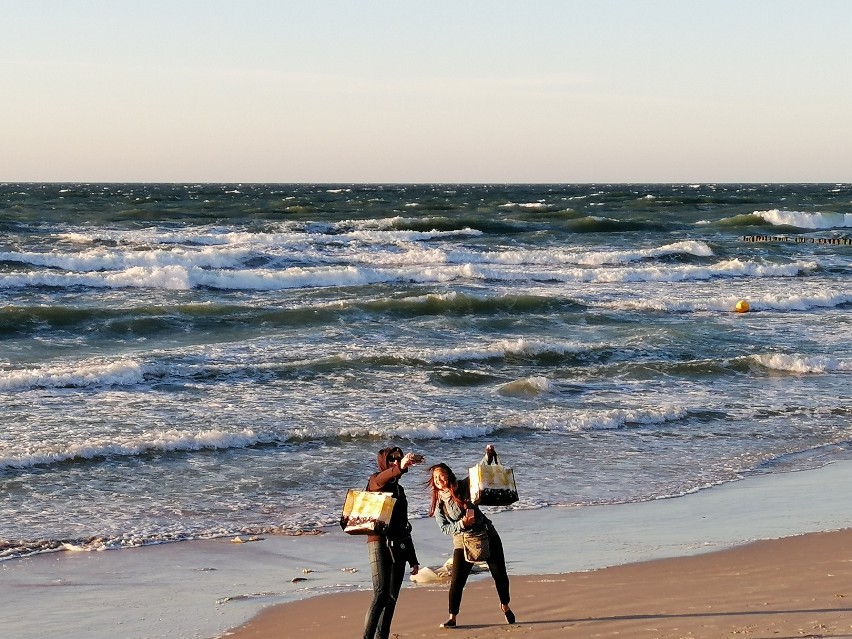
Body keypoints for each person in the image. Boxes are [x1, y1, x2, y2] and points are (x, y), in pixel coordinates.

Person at [427, 444, 515, 628]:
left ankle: (505, 605)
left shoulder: (463, 486)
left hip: (487, 534)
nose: (439, 479)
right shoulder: (439, 505)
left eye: (441, 475)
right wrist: (461, 524)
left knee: (500, 575)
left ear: (448, 475)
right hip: (463, 542)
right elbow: (444, 528)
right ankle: (452, 618)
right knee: (457, 581)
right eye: (436, 477)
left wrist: (488, 455)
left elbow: (479, 471)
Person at [362, 446, 422, 639]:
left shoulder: (399, 490)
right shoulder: (376, 481)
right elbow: (383, 478)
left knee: (391, 598)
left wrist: (413, 558)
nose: (396, 462)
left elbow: (404, 526)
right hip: (379, 542)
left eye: (399, 459)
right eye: (392, 459)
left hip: (398, 545)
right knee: (381, 594)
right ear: (383, 463)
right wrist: (401, 467)